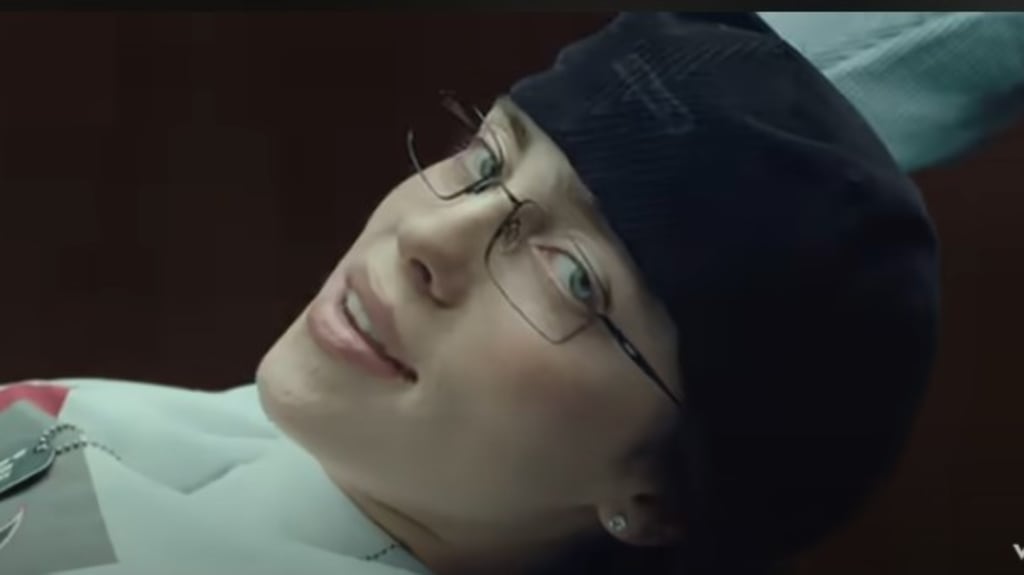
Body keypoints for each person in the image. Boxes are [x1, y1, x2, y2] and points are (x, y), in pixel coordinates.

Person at [0, 12, 938, 575]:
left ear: (659, 495)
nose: (430, 236)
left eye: (573, 276)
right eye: (485, 159)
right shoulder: (217, 444)